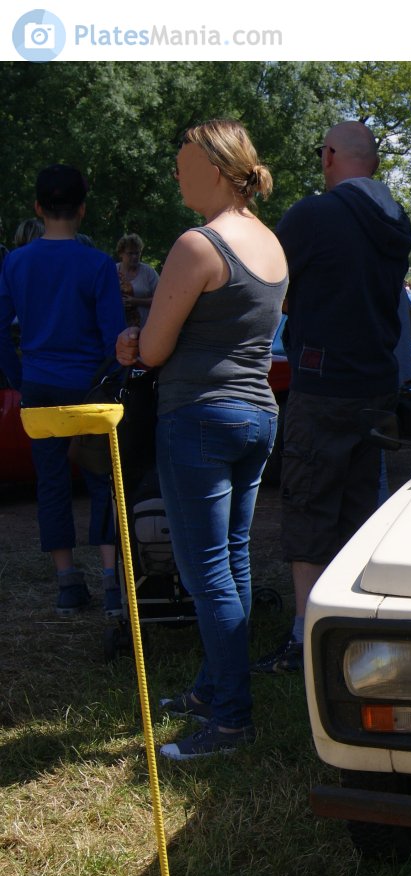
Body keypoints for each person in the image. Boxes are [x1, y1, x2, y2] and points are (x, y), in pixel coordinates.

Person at [114, 120, 285, 759]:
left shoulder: (198, 244)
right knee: (232, 560)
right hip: (257, 415)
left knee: (206, 571)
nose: (177, 174)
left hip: (200, 419)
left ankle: (231, 722)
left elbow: (155, 347)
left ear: (215, 169)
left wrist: (135, 344)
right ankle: (214, 691)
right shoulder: (269, 241)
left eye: (184, 163)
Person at [252, 121, 411, 676]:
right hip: (376, 381)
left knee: (308, 506)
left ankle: (305, 638)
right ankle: (355, 629)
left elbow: (272, 288)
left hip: (321, 383)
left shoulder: (312, 216)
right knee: (359, 509)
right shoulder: (396, 221)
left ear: (327, 157)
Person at [0, 164, 126, 616]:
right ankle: (112, 581)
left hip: (38, 386)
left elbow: (0, 329)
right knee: (103, 481)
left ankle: (67, 583)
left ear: (38, 207)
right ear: (82, 210)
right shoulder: (96, 264)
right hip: (90, 386)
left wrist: (17, 376)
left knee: (50, 483)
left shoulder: (15, 262)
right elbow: (115, 335)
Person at [115, 233, 159, 329]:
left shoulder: (148, 272)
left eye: (137, 253)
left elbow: (161, 299)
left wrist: (137, 301)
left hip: (144, 328)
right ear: (121, 253)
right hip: (117, 329)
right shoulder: (112, 271)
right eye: (130, 253)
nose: (135, 256)